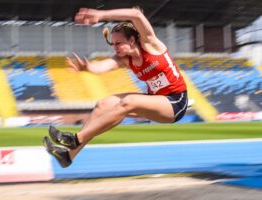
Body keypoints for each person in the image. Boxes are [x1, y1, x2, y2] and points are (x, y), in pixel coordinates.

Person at [43, 7, 188, 168]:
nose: (115, 48)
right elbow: (103, 66)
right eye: (113, 44)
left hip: (176, 102)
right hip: (156, 100)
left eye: (118, 43)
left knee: (129, 101)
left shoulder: (150, 44)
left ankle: (75, 139)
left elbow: (136, 14)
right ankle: (68, 156)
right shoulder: (125, 59)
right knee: (103, 105)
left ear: (132, 40)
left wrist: (101, 15)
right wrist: (87, 68)